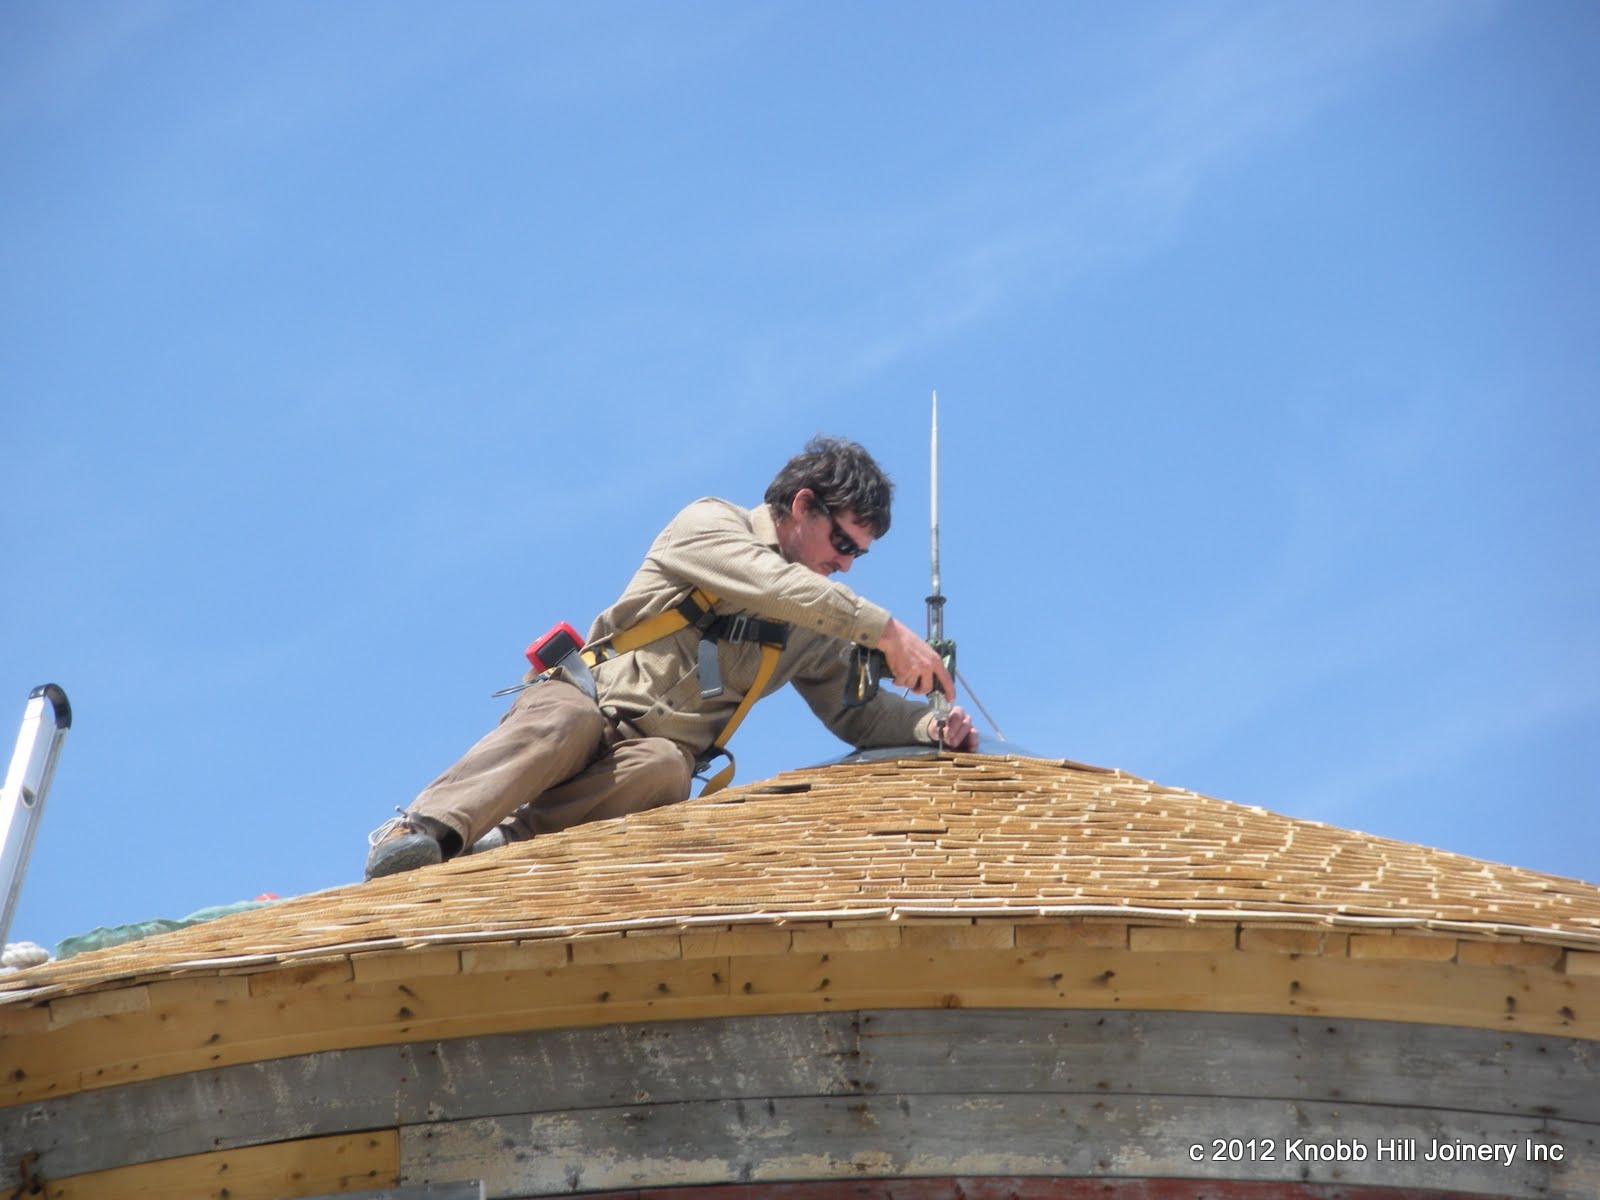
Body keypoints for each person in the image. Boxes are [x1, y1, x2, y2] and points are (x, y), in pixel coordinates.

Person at [364, 435, 977, 879]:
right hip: (585, 703)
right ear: (801, 506)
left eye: (858, 556)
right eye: (842, 541)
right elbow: (771, 586)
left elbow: (859, 716)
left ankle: (498, 851)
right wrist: (884, 629)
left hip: (636, 762)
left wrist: (931, 726)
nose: (844, 563)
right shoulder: (710, 525)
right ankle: (420, 834)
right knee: (568, 720)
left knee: (667, 767)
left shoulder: (813, 627)